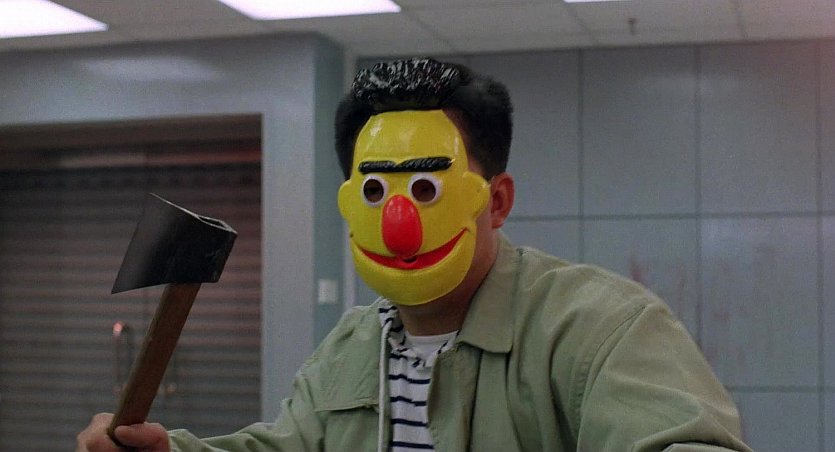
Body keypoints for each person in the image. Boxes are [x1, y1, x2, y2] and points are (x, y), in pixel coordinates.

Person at [78, 58, 752, 452]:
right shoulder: (351, 344)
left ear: (496, 201)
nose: (398, 223)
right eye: (375, 192)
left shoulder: (599, 327)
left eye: (426, 189)